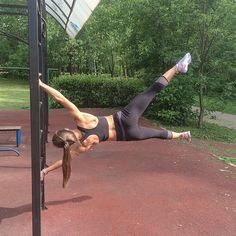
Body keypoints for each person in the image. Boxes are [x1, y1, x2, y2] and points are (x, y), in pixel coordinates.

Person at [40, 53, 192, 187]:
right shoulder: (82, 120)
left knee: (157, 134)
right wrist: (41, 85)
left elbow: (66, 161)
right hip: (125, 118)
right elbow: (60, 98)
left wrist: (46, 170)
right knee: (151, 91)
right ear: (66, 130)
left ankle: (182, 135)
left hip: (128, 134)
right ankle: (177, 68)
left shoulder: (82, 146)